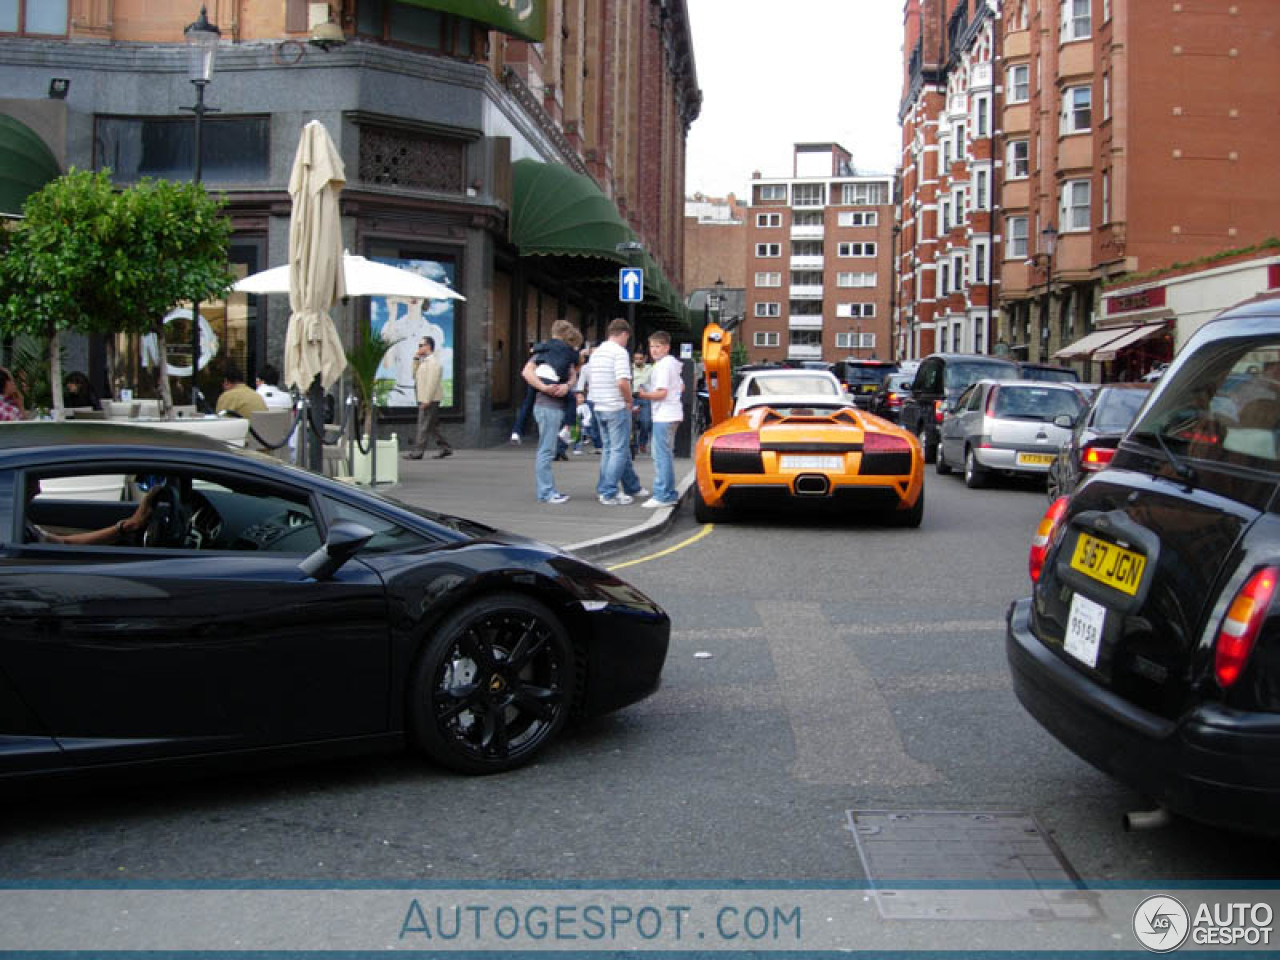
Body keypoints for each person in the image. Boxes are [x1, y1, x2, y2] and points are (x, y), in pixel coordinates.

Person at [587, 318, 648, 505]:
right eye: (627, 338)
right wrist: (629, 400)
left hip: (599, 406)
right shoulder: (619, 353)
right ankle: (609, 492)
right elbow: (622, 381)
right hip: (616, 406)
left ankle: (626, 486)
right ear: (624, 334)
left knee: (609, 449)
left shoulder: (596, 353)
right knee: (619, 451)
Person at [521, 320, 582, 503]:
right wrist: (546, 387)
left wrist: (566, 385)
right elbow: (527, 372)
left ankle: (548, 490)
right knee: (546, 450)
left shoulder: (551, 351)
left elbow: (572, 375)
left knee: (548, 449)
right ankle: (546, 492)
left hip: (551, 405)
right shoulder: (547, 352)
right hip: (548, 405)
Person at [23, 474, 162, 546]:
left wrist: (127, 527)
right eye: (33, 480)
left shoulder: (20, 524)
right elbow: (64, 544)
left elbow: (65, 543)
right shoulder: (14, 529)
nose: (38, 489)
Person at [635, 330, 683, 508]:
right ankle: (669, 493)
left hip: (664, 414)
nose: (654, 350)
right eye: (652, 346)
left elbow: (662, 393)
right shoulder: (673, 364)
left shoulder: (663, 366)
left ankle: (662, 494)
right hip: (672, 413)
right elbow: (682, 387)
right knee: (665, 454)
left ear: (666, 347)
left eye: (658, 346)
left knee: (660, 455)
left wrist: (643, 394)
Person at [404, 336, 453, 460]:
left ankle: (417, 452)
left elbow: (432, 383)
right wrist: (415, 359)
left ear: (428, 346)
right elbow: (413, 375)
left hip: (430, 399)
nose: (419, 348)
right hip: (424, 397)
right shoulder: (423, 362)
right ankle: (445, 447)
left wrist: (427, 400)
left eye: (421, 345)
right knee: (431, 426)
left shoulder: (434, 363)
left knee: (423, 425)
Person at [632, 349, 653, 455]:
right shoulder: (629, 368)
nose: (638, 361)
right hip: (633, 396)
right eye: (636, 359)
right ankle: (634, 445)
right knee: (632, 423)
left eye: (640, 359)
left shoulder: (650, 368)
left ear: (645, 358)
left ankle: (642, 443)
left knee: (646, 422)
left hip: (645, 397)